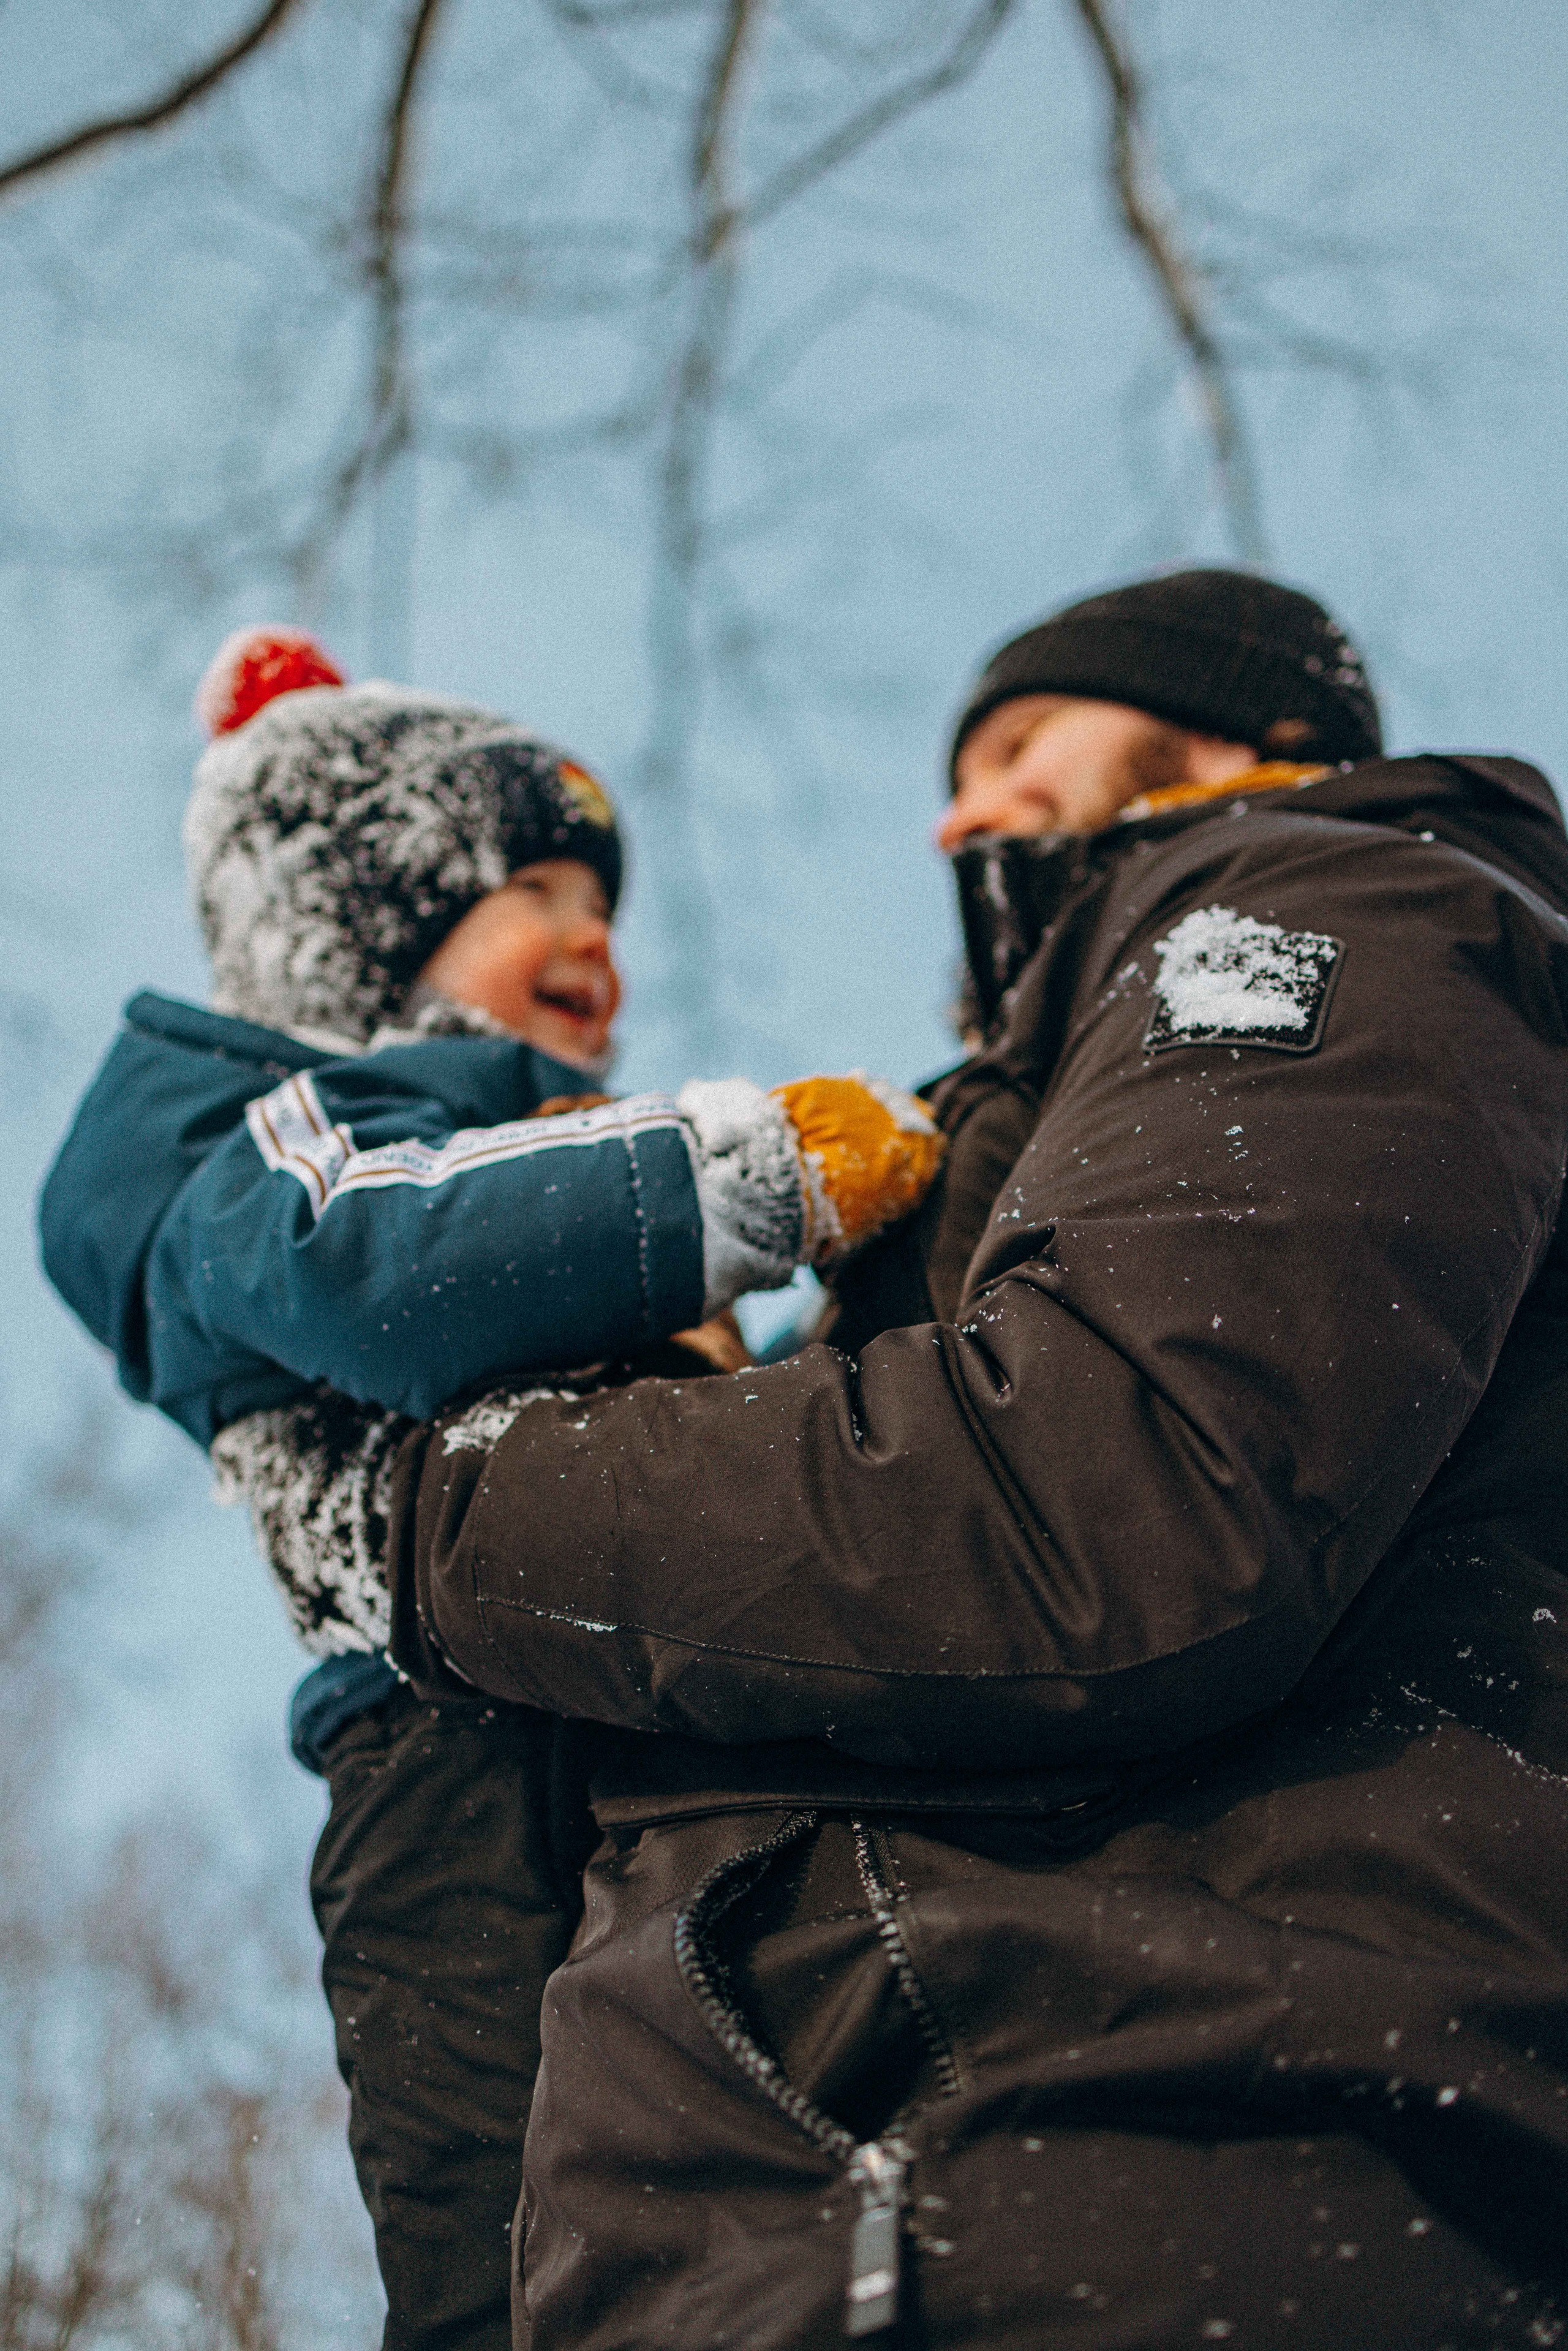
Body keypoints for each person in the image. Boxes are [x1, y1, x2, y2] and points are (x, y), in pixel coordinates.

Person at [229, 567, 1568, 2349]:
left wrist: (424, 1518)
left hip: (1139, 2184)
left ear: (1260, 737)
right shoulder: (1027, 1111)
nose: (964, 808)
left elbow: (1112, 1499)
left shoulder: (1326, 894)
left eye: (1025, 743)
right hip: (784, 2247)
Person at [38, 624, 944, 2351]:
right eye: (529, 885)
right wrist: (746, 1183)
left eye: (602, 895)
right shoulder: (290, 1132)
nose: (591, 933)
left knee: (729, 2166)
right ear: (376, 914)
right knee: (505, 2221)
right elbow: (364, 1258)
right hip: (447, 1733)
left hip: (660, 1691)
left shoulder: (549, 1163)